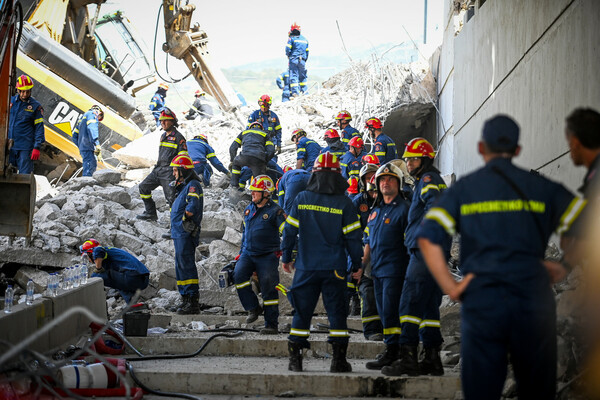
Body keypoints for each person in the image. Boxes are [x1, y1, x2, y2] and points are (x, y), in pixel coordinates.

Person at [417, 115, 585, 399]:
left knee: (482, 390)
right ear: (518, 150)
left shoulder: (465, 190)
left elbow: (427, 237)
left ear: (482, 148)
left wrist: (451, 287)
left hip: (483, 300)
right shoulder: (542, 188)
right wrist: (565, 265)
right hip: (532, 298)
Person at [281, 152, 363, 373]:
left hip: (306, 268)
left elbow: (289, 232)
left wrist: (286, 257)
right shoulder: (345, 204)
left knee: (302, 312)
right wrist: (357, 265)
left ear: (314, 175)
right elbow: (354, 240)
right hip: (334, 269)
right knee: (337, 313)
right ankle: (338, 362)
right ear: (338, 176)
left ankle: (295, 361)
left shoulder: (302, 199)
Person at [381, 138, 448, 377]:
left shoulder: (428, 180)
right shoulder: (427, 180)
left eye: (413, 159)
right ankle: (432, 358)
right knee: (429, 306)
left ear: (426, 160)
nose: (409, 163)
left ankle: (408, 358)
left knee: (408, 302)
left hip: (425, 252)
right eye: (407, 159)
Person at [360, 163, 410, 370]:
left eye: (390, 179)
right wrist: (361, 266)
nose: (385, 183)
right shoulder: (375, 211)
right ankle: (391, 350)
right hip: (377, 271)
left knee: (392, 311)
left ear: (398, 183)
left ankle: (398, 352)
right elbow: (368, 242)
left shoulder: (405, 209)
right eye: (382, 180)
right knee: (384, 311)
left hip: (396, 270)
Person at [234, 175, 286, 334]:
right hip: (248, 253)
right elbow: (245, 234)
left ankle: (271, 324)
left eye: (255, 191)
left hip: (267, 255)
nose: (252, 194)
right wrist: (241, 252)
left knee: (269, 286)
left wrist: (290, 251)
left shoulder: (276, 211)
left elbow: (287, 231)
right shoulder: (248, 209)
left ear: (265, 193)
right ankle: (253, 307)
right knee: (238, 276)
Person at [137, 108, 188, 228]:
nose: (163, 123)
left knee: (172, 200)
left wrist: (179, 174)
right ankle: (150, 213)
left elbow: (183, 158)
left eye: (166, 121)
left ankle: (175, 227)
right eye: (161, 121)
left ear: (173, 122)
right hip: (159, 169)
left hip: (170, 172)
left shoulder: (179, 137)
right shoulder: (163, 136)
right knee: (143, 187)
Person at [351, 163, 383, 341]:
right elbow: (352, 233)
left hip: (385, 252)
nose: (371, 180)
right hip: (363, 250)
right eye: (367, 177)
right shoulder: (358, 202)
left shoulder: (386, 199)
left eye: (374, 176)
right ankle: (371, 330)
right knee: (367, 290)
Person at [170, 154, 204, 315]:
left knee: (187, 265)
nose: (174, 174)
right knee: (180, 265)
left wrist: (185, 218)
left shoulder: (193, 185)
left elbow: (192, 206)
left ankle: (192, 300)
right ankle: (184, 297)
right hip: (179, 232)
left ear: (184, 170)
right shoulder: (184, 186)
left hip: (185, 232)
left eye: (176, 170)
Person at [80, 239, 149, 304]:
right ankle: (132, 302)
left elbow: (98, 250)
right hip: (143, 279)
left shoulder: (101, 250)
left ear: (90, 253)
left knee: (96, 276)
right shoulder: (111, 252)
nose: (88, 260)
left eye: (87, 256)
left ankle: (92, 303)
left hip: (133, 277)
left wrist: (98, 269)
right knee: (117, 282)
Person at [8, 74, 45, 174]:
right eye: (22, 91)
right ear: (18, 90)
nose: (25, 94)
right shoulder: (10, 102)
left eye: (27, 91)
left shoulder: (35, 106)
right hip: (9, 146)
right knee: (6, 174)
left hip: (25, 148)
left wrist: (37, 147)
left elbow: (39, 128)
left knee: (25, 175)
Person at [229, 121, 275, 189]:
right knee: (259, 181)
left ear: (250, 127)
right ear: (261, 128)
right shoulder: (265, 134)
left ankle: (234, 186)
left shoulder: (244, 132)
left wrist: (232, 160)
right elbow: (271, 151)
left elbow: (232, 148)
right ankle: (259, 196)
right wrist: (264, 161)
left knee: (236, 164)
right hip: (258, 159)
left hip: (243, 157)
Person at [73, 105, 104, 177]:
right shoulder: (93, 114)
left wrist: (81, 146)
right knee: (90, 167)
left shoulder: (83, 117)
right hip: (88, 148)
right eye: (99, 118)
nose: (98, 119)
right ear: (99, 113)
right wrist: (97, 144)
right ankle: (86, 185)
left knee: (87, 166)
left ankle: (85, 184)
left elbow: (74, 136)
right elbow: (92, 129)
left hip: (83, 148)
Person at [286, 23, 309, 97]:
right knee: (303, 76)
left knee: (294, 75)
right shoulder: (305, 39)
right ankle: (305, 92)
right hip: (302, 60)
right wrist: (304, 60)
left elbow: (287, 49)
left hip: (294, 59)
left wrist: (289, 56)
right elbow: (307, 51)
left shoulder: (291, 38)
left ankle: (295, 93)